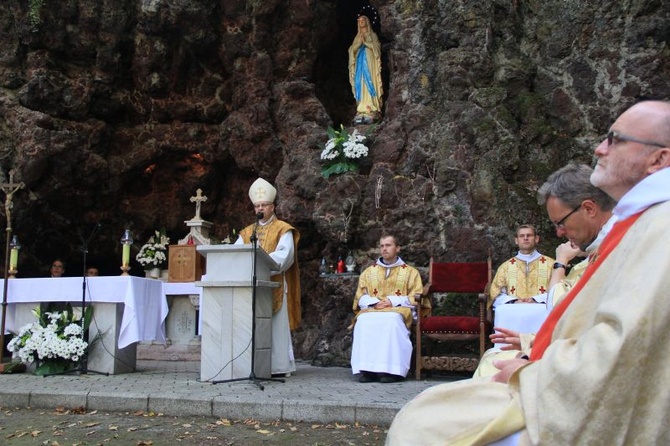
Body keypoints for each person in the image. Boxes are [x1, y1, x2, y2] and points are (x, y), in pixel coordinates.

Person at [385, 100, 670, 445]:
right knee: (429, 413)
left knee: (425, 426)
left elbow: (625, 349)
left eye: (615, 139)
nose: (599, 147)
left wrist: (533, 373)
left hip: (577, 402)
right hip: (560, 377)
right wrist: (529, 348)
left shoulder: (660, 227)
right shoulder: (641, 221)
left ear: (659, 159)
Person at [474, 163, 617, 378]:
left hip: (592, 369)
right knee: (491, 358)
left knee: (491, 367)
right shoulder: (596, 250)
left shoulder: (615, 248)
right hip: (575, 353)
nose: (559, 233)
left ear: (589, 209)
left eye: (560, 223)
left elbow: (562, 311)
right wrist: (529, 340)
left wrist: (560, 263)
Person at [236, 178, 301, 377]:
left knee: (276, 327)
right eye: (257, 205)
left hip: (275, 285)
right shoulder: (247, 232)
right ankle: (252, 365)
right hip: (252, 285)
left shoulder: (283, 229)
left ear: (272, 207)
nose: (260, 208)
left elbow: (284, 256)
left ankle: (278, 366)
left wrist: (260, 263)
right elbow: (236, 254)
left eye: (264, 205)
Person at [350, 234, 423, 383]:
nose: (384, 249)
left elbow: (416, 296)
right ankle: (367, 370)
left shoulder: (410, 272)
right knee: (363, 320)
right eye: (382, 246)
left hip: (398, 310)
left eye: (388, 245)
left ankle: (392, 371)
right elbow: (360, 296)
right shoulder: (369, 272)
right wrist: (374, 302)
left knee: (391, 320)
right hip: (373, 309)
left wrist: (392, 301)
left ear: (397, 248)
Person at [488, 225, 555, 335]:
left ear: (536, 239)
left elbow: (558, 290)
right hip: (514, 308)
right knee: (502, 311)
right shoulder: (506, 267)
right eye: (522, 236)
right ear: (516, 240)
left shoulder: (551, 264)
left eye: (529, 235)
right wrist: (514, 301)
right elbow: (496, 294)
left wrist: (535, 299)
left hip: (541, 307)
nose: (525, 238)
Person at [348, 13, 383, 124]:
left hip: (370, 63)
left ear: (367, 22)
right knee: (360, 82)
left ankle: (372, 106)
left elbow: (377, 48)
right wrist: (359, 45)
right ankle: (362, 106)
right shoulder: (357, 37)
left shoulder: (372, 35)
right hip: (360, 65)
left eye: (363, 20)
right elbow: (351, 50)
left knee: (370, 81)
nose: (361, 22)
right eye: (359, 20)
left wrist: (366, 43)